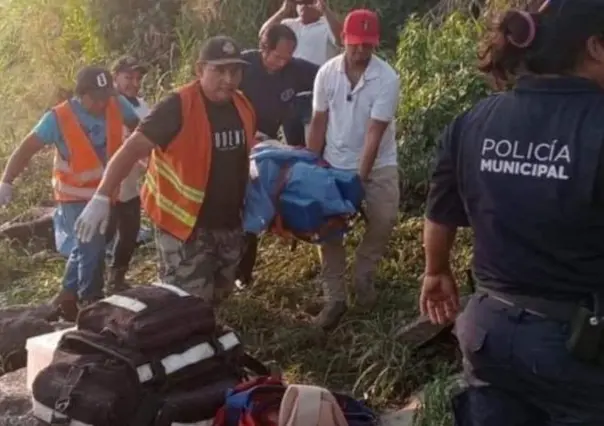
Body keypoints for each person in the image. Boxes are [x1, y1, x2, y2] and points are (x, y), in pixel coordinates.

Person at [420, 1, 604, 424]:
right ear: (595, 47)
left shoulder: (474, 121)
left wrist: (435, 271)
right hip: (579, 351)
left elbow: (439, 211)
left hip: (487, 335)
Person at [74, 36, 257, 306]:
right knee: (186, 308)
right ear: (199, 69)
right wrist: (102, 196)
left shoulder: (242, 106)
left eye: (235, 71)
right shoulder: (177, 107)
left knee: (220, 300)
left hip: (228, 227)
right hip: (185, 230)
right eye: (219, 70)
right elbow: (131, 149)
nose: (228, 79)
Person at [0, 66, 140, 319]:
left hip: (106, 192)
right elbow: (26, 148)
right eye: (96, 98)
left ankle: (67, 293)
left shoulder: (116, 104)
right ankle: (91, 301)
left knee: (90, 244)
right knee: (92, 243)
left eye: (105, 96)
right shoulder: (58, 118)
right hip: (74, 196)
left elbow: (140, 127)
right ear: (81, 95)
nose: (101, 103)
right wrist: (7, 180)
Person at [306, 9, 401, 329]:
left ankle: (364, 274)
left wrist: (359, 179)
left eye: (367, 45)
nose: (361, 50)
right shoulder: (327, 74)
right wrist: (311, 165)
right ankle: (334, 297)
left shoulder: (387, 78)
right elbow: (319, 122)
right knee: (328, 230)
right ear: (343, 39)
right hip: (334, 160)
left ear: (375, 44)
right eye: (355, 44)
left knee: (384, 219)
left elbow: (375, 133)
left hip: (379, 163)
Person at [235, 24, 319, 288]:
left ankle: (244, 274)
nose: (282, 63)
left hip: (265, 149)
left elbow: (327, 76)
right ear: (264, 49)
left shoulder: (296, 70)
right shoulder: (243, 66)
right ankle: (234, 272)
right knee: (234, 207)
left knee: (253, 204)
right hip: (233, 143)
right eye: (277, 57)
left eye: (288, 57)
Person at [104, 55, 151, 292]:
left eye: (137, 78)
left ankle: (116, 280)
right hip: (107, 183)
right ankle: (91, 284)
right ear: (115, 78)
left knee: (129, 234)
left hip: (130, 183)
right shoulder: (105, 106)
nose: (134, 83)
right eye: (128, 77)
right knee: (104, 234)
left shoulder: (142, 107)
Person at [260, 0, 341, 67]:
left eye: (308, 3)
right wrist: (284, 9)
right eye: (300, 3)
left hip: (315, 79)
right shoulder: (288, 24)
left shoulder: (327, 25)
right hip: (290, 78)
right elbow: (263, 36)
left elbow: (341, 40)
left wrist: (325, 10)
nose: (303, 6)